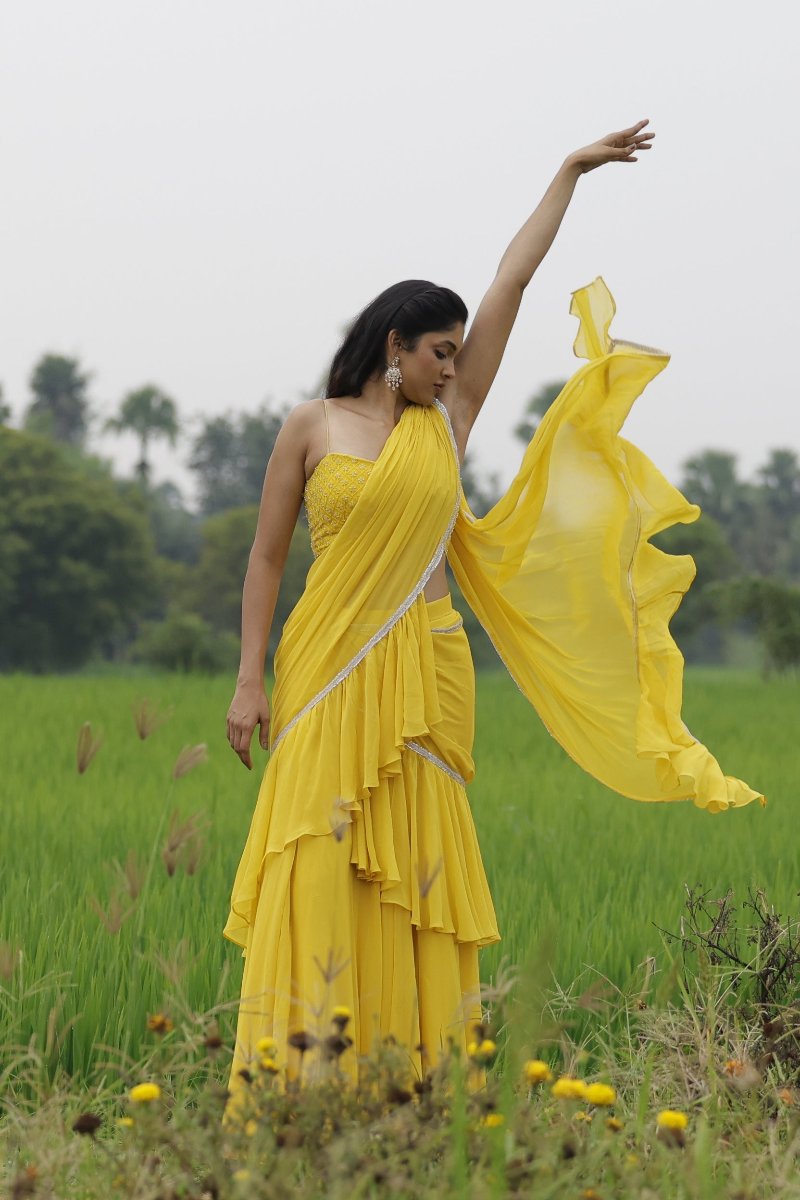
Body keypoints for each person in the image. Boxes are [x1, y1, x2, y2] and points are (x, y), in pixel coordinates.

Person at [221, 119, 762, 1111]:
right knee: (317, 858)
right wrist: (249, 678)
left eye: (456, 353)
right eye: (437, 350)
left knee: (416, 869)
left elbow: (509, 283)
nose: (449, 364)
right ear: (394, 347)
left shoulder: (446, 423)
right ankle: (303, 1089)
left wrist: (566, 173)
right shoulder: (311, 427)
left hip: (424, 668)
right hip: (324, 669)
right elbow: (264, 560)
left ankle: (415, 1095)